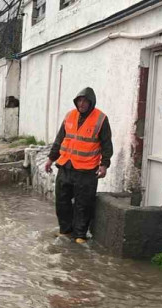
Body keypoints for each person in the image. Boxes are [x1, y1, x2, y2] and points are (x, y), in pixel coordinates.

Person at [44, 87, 113, 244]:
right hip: (65, 166)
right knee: (62, 201)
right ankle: (65, 231)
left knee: (83, 204)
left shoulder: (101, 119)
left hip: (87, 170)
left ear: (91, 103)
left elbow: (106, 145)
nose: (81, 104)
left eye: (85, 101)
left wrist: (104, 165)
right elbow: (60, 139)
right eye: (79, 101)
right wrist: (50, 159)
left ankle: (80, 235)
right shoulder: (70, 116)